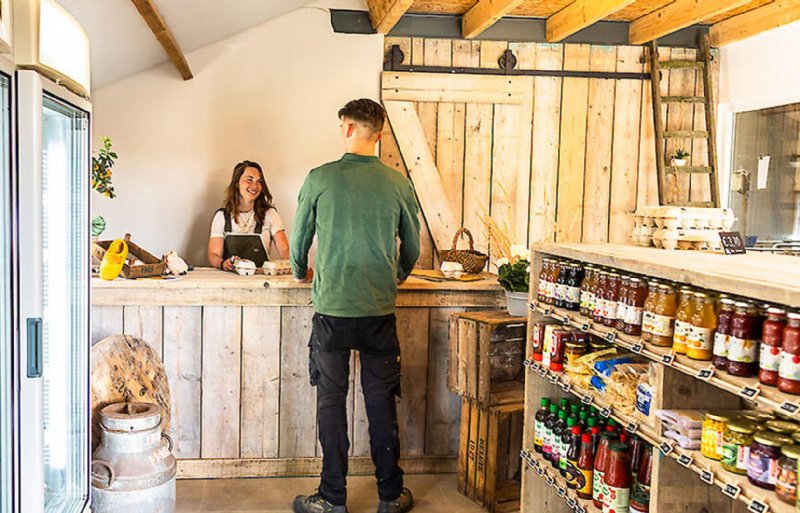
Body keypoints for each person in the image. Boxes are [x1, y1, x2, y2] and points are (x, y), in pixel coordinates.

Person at [290, 99, 420, 513]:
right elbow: (412, 247)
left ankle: (332, 499)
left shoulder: (319, 178)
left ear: (347, 129)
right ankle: (389, 496)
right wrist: (397, 274)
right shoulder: (397, 183)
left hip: (332, 313)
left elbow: (299, 242)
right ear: (378, 135)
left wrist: (297, 271)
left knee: (331, 402)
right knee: (380, 404)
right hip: (379, 311)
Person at [208, 160, 289, 270]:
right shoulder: (221, 217)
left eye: (259, 181)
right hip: (229, 281)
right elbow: (213, 255)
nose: (255, 186)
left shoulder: (270, 214)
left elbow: (285, 252)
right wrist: (223, 263)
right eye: (249, 180)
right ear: (237, 183)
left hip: (262, 282)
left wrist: (295, 269)